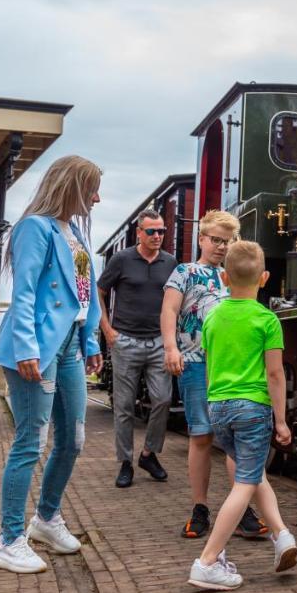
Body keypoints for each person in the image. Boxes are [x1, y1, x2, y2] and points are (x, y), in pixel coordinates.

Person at [0, 155, 104, 574]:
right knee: (30, 441)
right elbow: (23, 293)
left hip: (70, 344)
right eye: (91, 187)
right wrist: (26, 348)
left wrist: (90, 339)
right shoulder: (34, 228)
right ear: (70, 185)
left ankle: (46, 519)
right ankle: (9, 539)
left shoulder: (73, 233)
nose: (97, 197)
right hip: (37, 346)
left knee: (73, 438)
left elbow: (84, 293)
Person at [187, 241, 297, 591]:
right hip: (252, 407)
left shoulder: (213, 317)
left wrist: (212, 402)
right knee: (245, 483)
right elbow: (275, 374)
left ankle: (282, 536)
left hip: (218, 407)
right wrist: (280, 420)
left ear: (223, 277)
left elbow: (210, 366)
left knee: (252, 473)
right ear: (264, 278)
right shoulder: (267, 319)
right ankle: (208, 561)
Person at [161, 210, 269, 541]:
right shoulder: (185, 272)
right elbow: (169, 310)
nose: (222, 247)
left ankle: (240, 509)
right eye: (217, 240)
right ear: (202, 239)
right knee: (201, 435)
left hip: (229, 365)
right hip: (194, 361)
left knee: (235, 442)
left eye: (228, 241)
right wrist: (170, 348)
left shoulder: (235, 275)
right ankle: (200, 508)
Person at [98, 209, 178, 488]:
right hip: (126, 341)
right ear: (139, 233)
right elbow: (100, 291)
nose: (158, 236)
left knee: (163, 399)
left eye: (162, 231)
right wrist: (107, 330)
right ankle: (125, 463)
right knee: (123, 406)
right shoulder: (121, 260)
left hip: (158, 342)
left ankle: (148, 454)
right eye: (152, 231)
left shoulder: (170, 262)